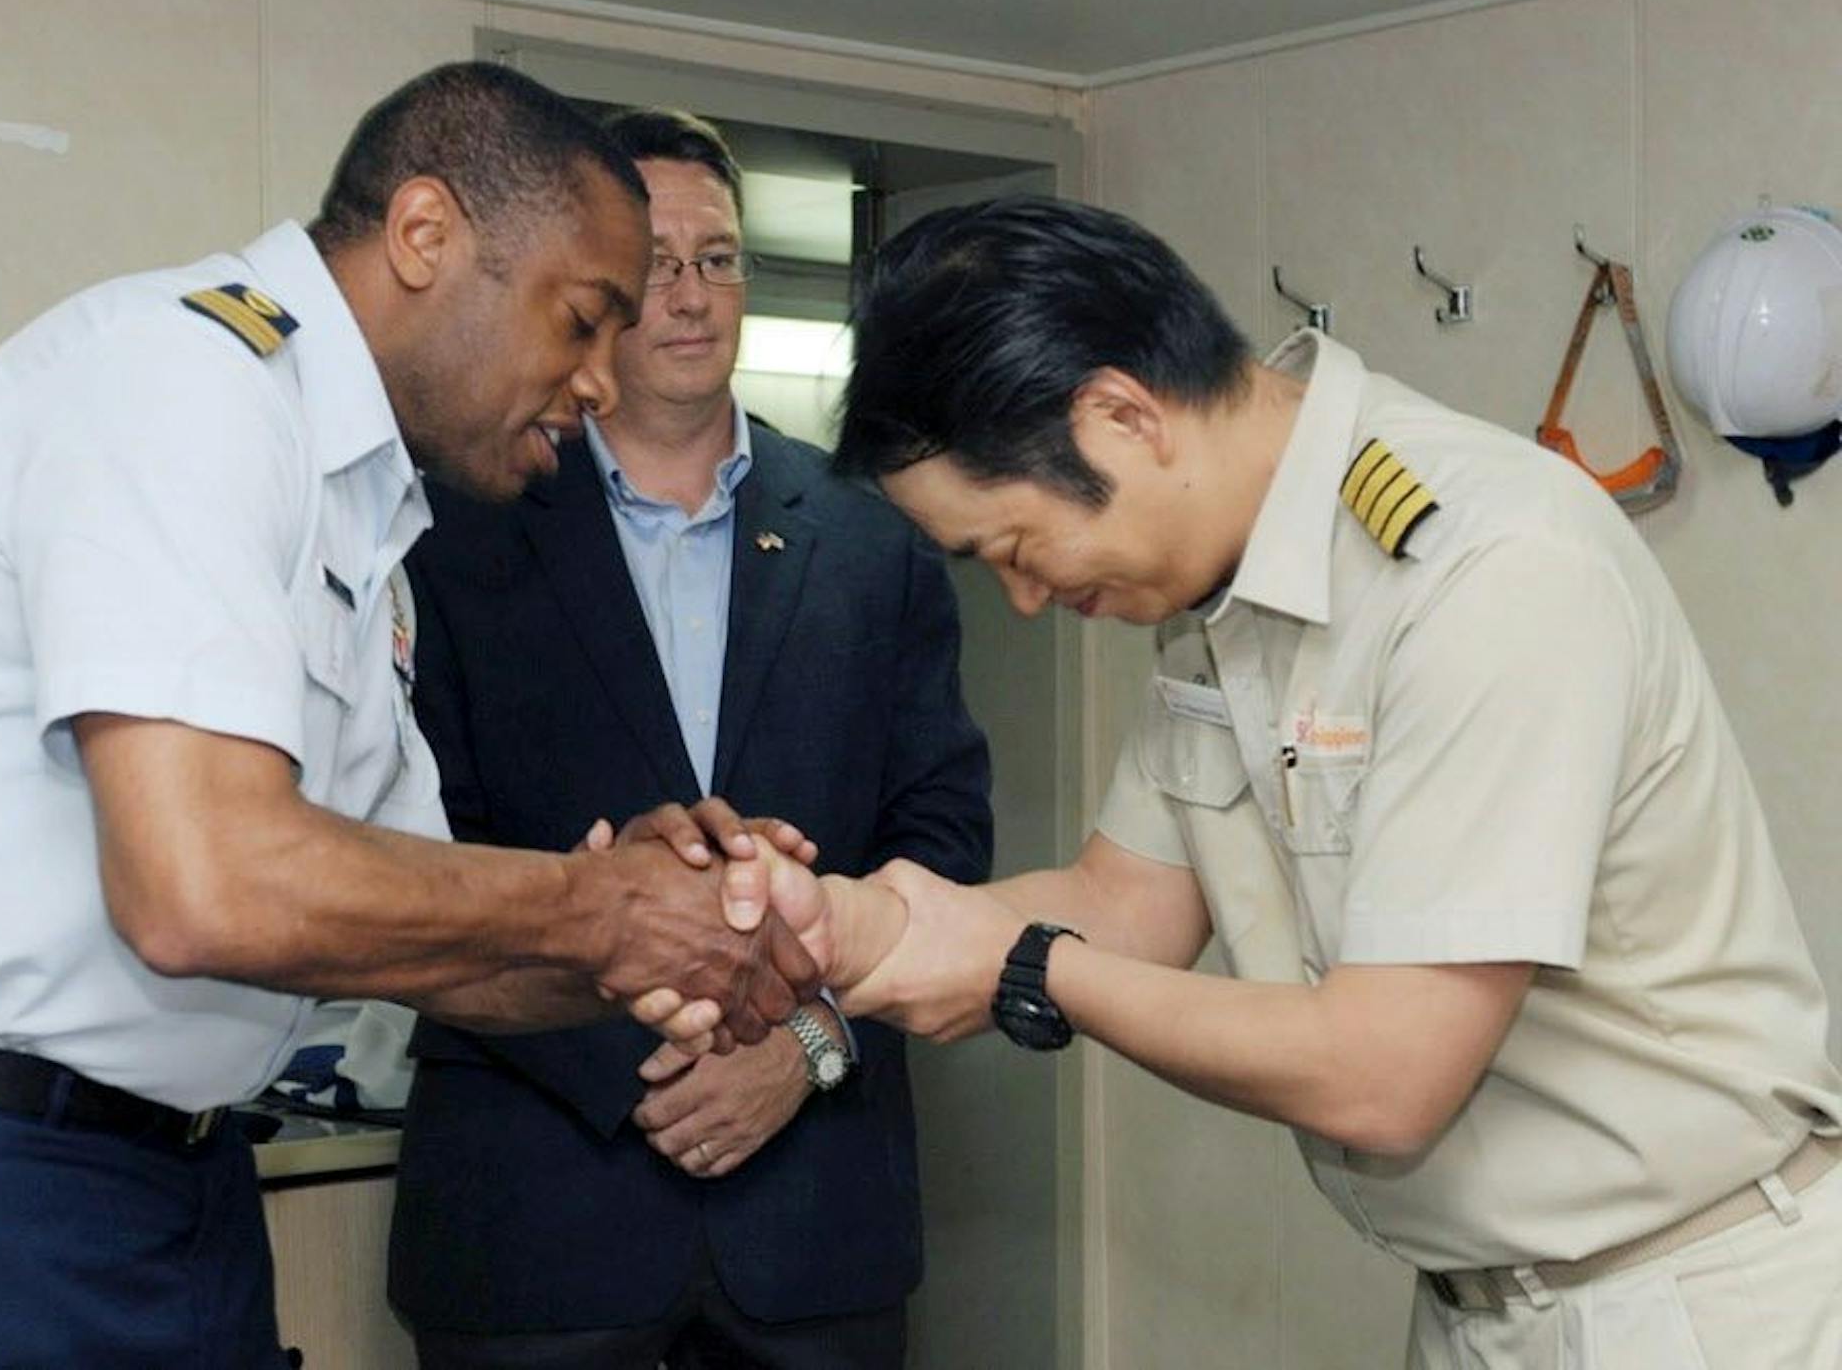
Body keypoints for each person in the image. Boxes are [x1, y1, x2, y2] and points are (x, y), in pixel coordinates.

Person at [0, 63, 819, 1369]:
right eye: (581, 320)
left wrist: (676, 938)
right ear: (426, 235)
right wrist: (600, 908)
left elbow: (430, 945)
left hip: (150, 1178)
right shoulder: (182, 381)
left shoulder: (363, 519)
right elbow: (201, 885)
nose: (601, 383)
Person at [651, 195, 1842, 1368]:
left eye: (1015, 546)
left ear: (1121, 416)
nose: (1024, 596)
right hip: (1486, 1305)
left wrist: (1020, 963)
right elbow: (1128, 905)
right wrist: (865, 925)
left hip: (1700, 1299)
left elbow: (1385, 1075)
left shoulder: (1482, 567)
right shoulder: (1219, 595)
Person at [388, 109, 993, 1370]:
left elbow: (941, 845)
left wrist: (804, 1049)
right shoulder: (457, 527)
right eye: (656, 263)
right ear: (598, 285)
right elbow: (421, 851)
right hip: (539, 1225)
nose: (690, 295)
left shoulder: (871, 538)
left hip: (815, 1231)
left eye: (718, 260)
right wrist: (642, 1062)